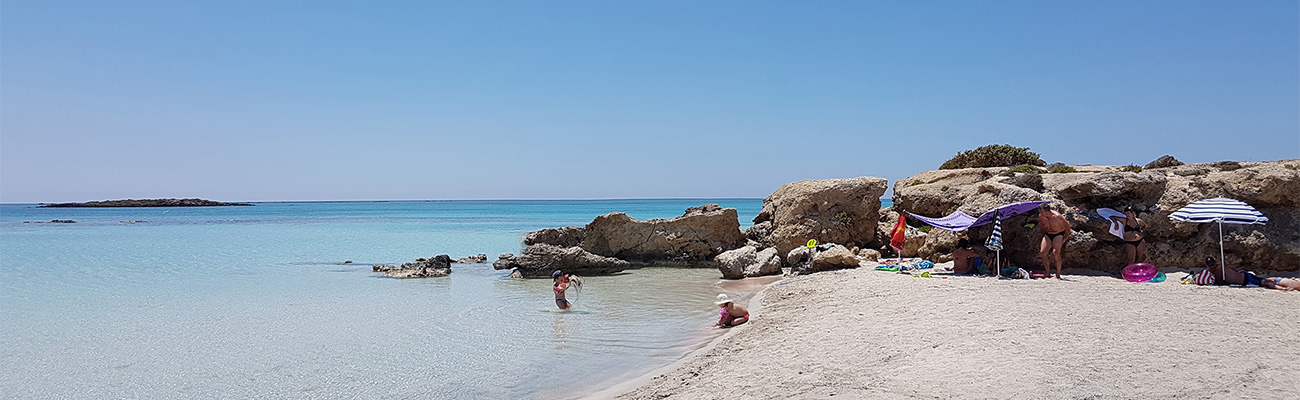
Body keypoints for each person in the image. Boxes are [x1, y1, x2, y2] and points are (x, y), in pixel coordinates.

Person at [1202, 257, 1298, 292]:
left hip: (1246, 279)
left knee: (1264, 282)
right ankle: (1283, 280)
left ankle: (1282, 287)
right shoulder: (1221, 266)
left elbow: (1220, 282)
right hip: (1245, 276)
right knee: (1265, 280)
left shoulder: (1219, 270)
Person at [1038, 203, 1071, 279]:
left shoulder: (1057, 217)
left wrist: (1064, 239)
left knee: (1055, 253)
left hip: (1058, 234)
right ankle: (1047, 273)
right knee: (1043, 252)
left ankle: (1058, 275)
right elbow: (1042, 226)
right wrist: (1044, 235)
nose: (1040, 213)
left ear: (1046, 211)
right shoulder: (1041, 216)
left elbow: (1067, 229)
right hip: (1048, 234)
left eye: (1041, 212)